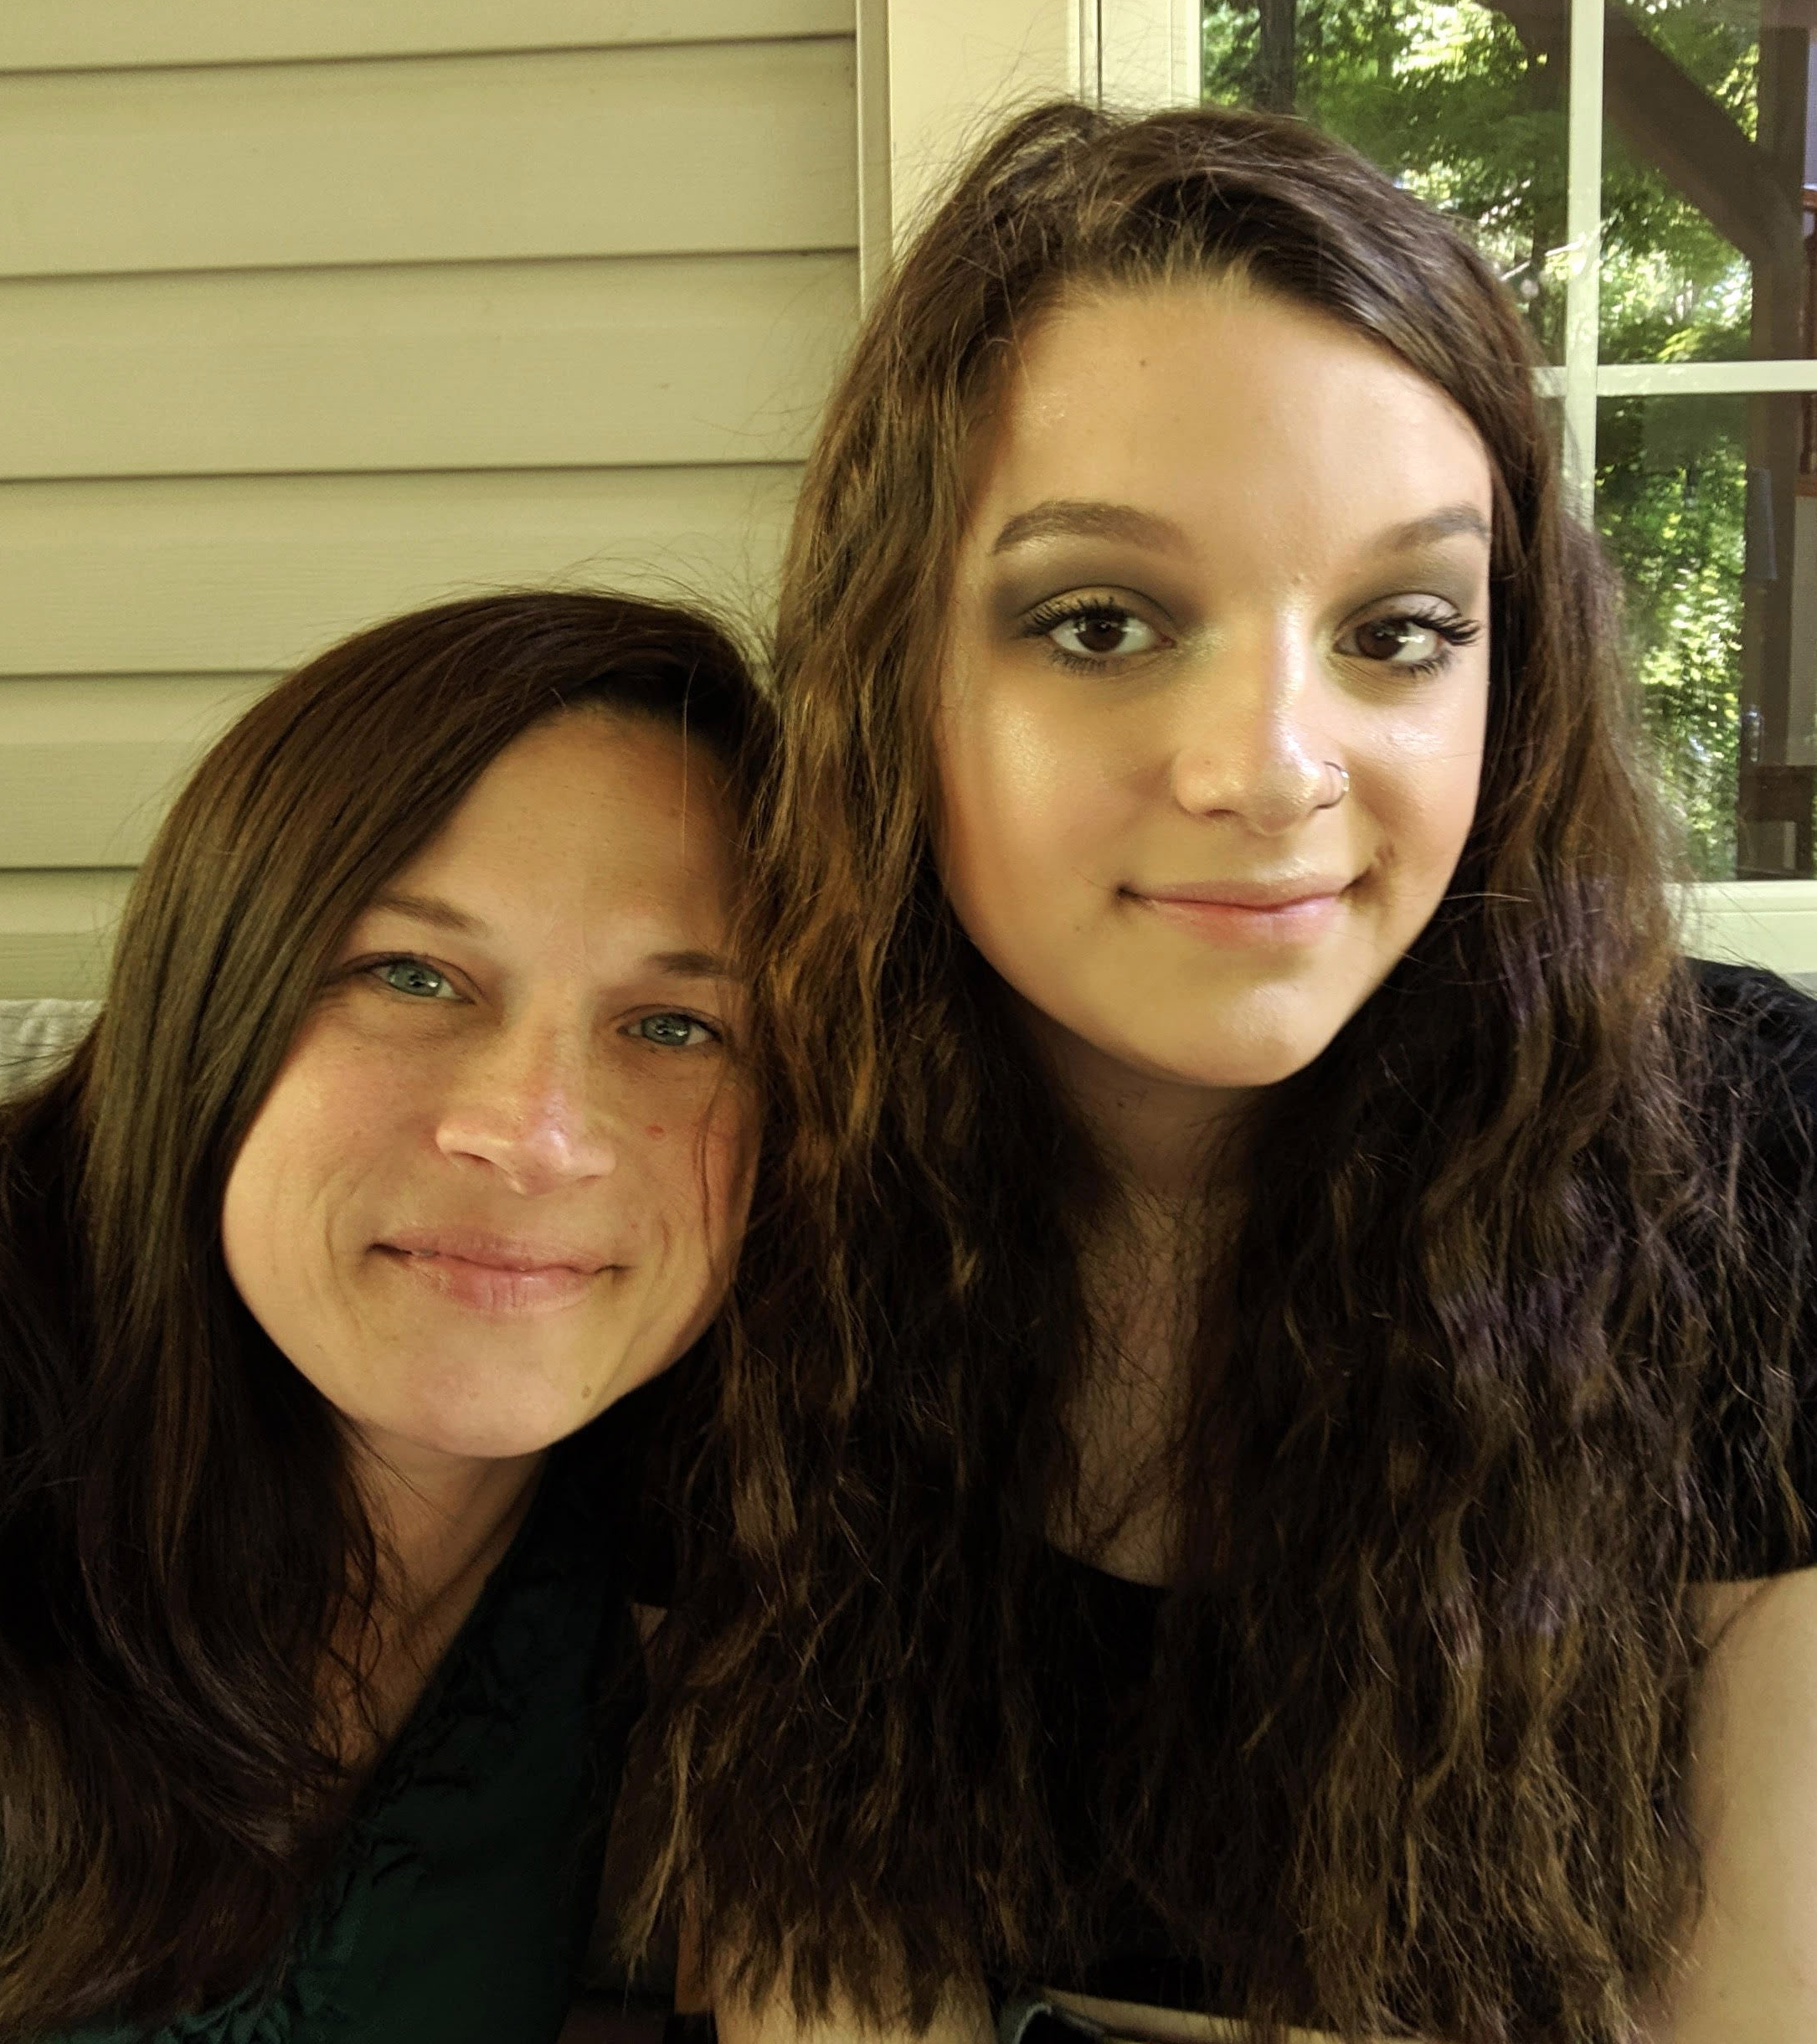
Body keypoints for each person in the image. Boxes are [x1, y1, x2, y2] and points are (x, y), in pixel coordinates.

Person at [635, 100, 1817, 2044]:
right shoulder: (752, 1203)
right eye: (1098, 621)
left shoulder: (1753, 1160)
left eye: (1398, 629)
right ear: (889, 673)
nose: (1270, 766)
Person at [0, 590, 765, 2042]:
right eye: (412, 975)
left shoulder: (706, 1550)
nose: (538, 1136)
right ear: (205, 998)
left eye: (677, 1027)